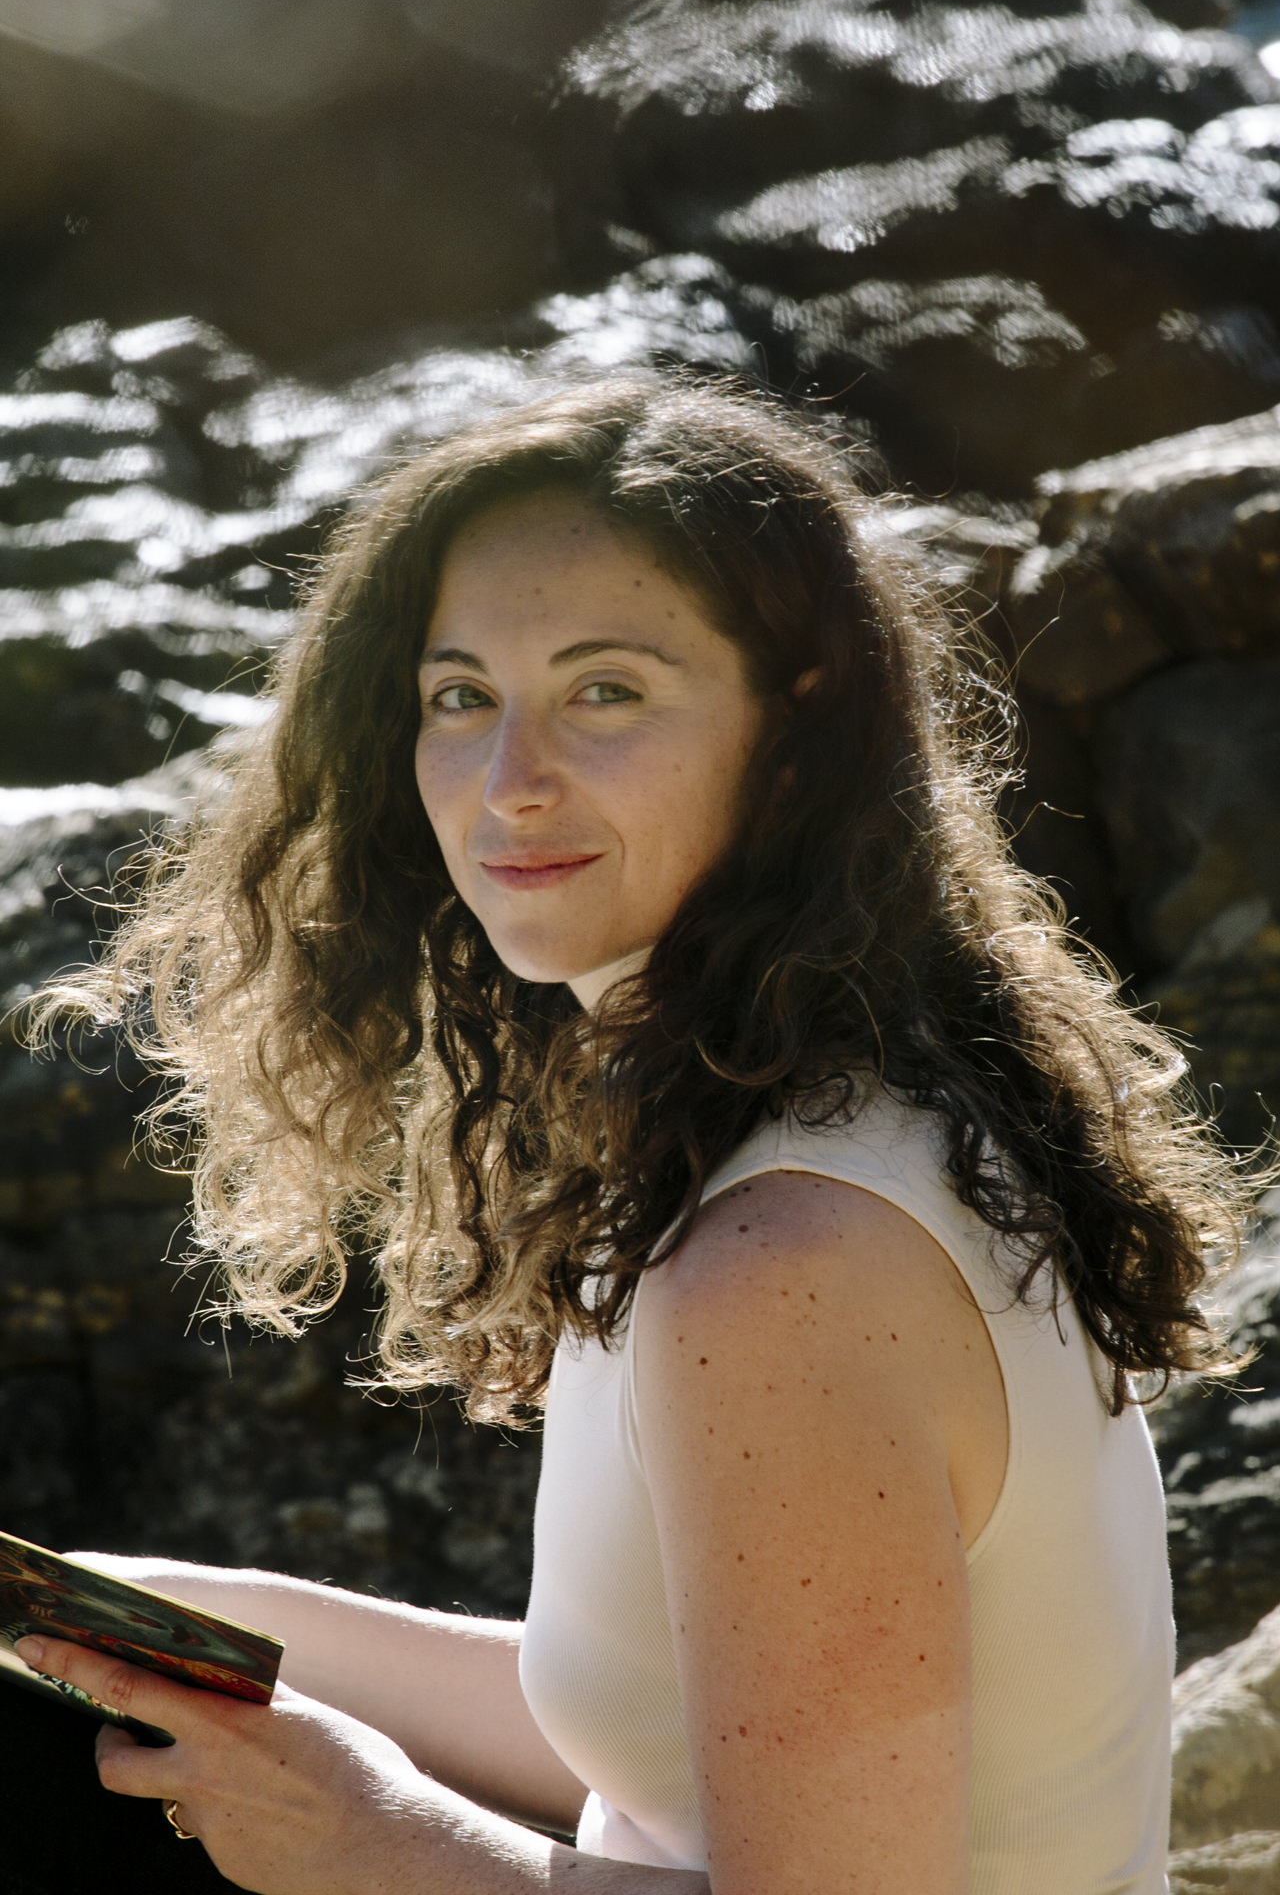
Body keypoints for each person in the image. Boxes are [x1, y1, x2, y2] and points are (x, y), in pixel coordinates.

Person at [13, 370, 1252, 1894]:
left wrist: (375, 1839)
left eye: (606, 691)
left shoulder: (787, 1262)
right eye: (461, 696)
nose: (509, 780)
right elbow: (661, 1722)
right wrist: (98, 1610)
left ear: (795, 729)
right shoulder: (829, 1128)